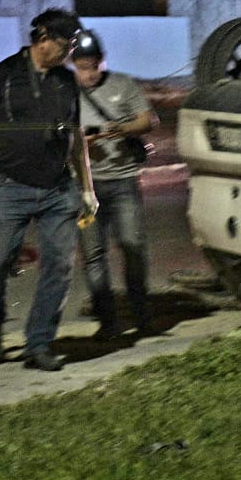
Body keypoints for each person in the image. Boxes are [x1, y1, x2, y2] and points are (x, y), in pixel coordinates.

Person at [0, 8, 98, 371]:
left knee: (59, 266)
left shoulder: (65, 81)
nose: (68, 54)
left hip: (57, 190)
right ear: (43, 37)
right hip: (8, 187)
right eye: (65, 45)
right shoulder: (4, 75)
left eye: (73, 46)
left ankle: (39, 343)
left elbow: (76, 136)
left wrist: (87, 188)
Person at [70, 29, 157, 338]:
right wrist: (82, 140)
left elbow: (148, 120)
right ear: (73, 65)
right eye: (82, 67)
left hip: (122, 182)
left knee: (133, 247)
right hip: (85, 188)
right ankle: (108, 323)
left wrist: (121, 128)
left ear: (102, 62)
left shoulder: (123, 84)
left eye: (94, 66)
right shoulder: (66, 92)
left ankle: (142, 316)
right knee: (94, 255)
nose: (90, 74)